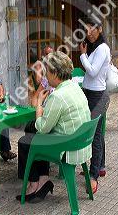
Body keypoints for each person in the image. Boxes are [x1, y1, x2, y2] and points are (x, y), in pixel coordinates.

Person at [16, 51, 91, 203]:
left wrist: (39, 107)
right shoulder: (75, 86)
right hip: (81, 141)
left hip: (68, 147)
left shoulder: (58, 95)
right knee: (31, 130)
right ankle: (43, 179)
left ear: (55, 73)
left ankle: (33, 183)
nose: (45, 75)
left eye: (47, 72)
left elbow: (43, 128)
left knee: (24, 141)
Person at [79, 21, 111, 194]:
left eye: (92, 29)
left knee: (95, 134)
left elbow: (92, 71)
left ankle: (93, 176)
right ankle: (101, 166)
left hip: (97, 96)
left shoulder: (102, 49)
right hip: (90, 93)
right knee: (97, 132)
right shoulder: (95, 48)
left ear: (100, 29)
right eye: (86, 30)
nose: (89, 33)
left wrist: (83, 55)